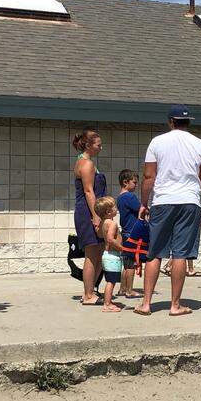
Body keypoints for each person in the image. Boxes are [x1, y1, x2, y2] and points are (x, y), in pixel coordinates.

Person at [136, 105, 201, 317]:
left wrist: (144, 202)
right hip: (190, 201)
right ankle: (175, 305)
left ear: (171, 121)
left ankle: (145, 304)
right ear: (188, 123)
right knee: (180, 254)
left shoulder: (157, 142)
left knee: (155, 252)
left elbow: (148, 177)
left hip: (162, 201)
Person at [73, 128, 107, 306]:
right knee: (92, 253)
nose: (101, 148)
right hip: (88, 212)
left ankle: (90, 290)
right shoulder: (86, 164)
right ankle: (87, 295)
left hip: (91, 211)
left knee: (99, 251)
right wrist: (96, 216)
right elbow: (88, 191)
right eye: (98, 145)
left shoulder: (84, 162)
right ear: (88, 145)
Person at [116, 169, 146, 298]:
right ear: (125, 182)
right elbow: (141, 209)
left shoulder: (120, 198)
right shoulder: (129, 196)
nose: (136, 185)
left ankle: (122, 289)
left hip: (125, 232)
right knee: (132, 264)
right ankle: (129, 290)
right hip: (132, 233)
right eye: (134, 182)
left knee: (126, 263)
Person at [95, 197, 126, 312]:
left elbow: (99, 235)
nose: (116, 209)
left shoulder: (104, 223)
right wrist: (123, 249)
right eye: (114, 207)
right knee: (111, 282)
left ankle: (108, 301)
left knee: (110, 280)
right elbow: (110, 239)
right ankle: (107, 304)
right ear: (108, 212)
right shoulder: (112, 223)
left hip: (107, 255)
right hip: (113, 256)